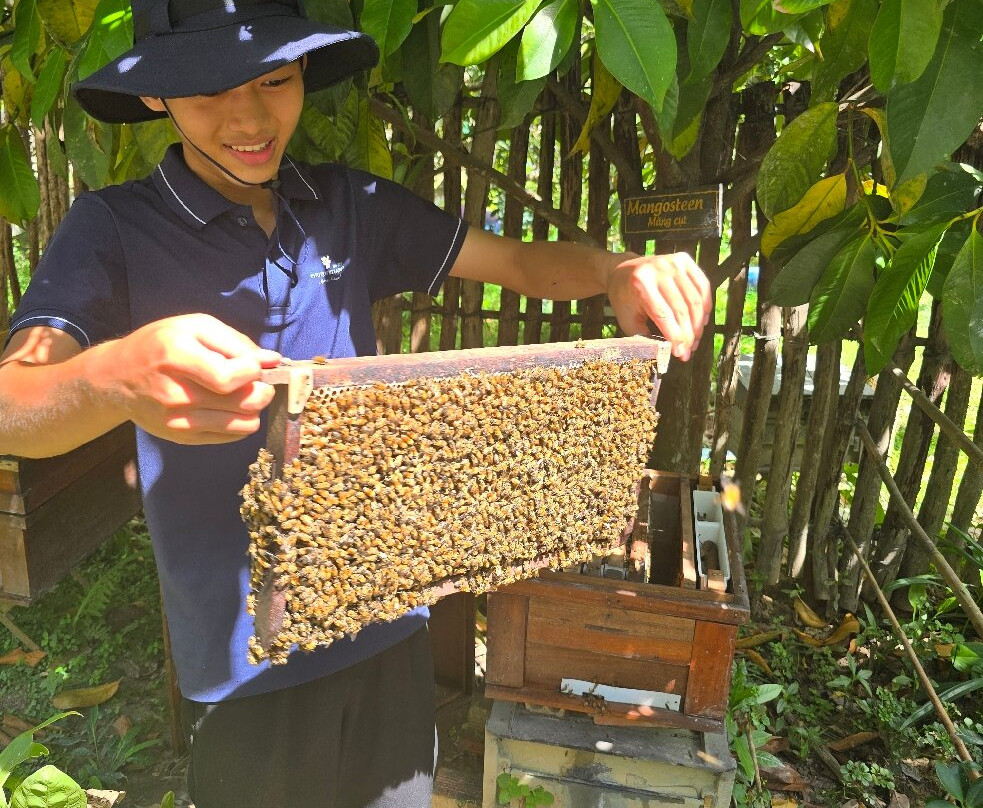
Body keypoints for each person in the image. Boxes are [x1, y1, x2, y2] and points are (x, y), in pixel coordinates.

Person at [0, 1, 712, 805]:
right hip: (245, 660)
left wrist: (615, 268)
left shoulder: (349, 206)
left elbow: (516, 261)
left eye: (275, 78)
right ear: (157, 97)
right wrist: (110, 379)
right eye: (206, 92)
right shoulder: (111, 228)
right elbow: (14, 403)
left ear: (305, 69)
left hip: (385, 616)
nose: (248, 117)